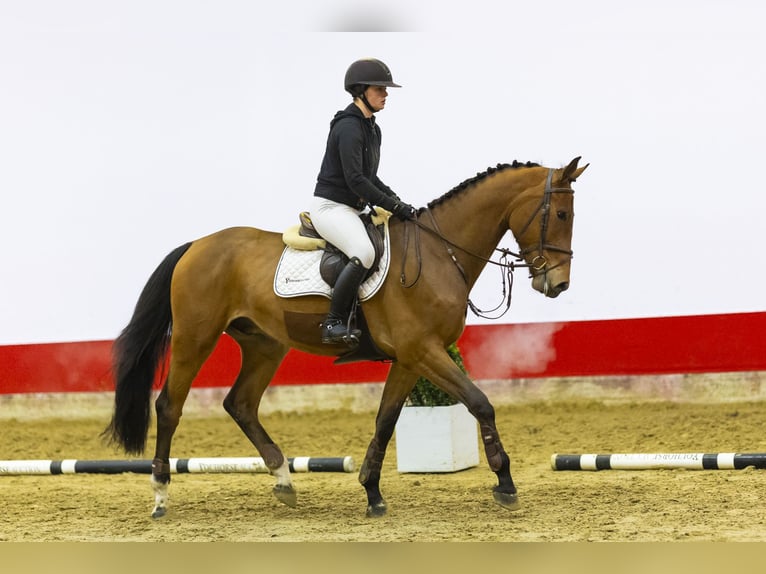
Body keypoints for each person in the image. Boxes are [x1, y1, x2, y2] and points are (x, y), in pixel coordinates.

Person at [310, 57, 417, 346]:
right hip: (330, 207)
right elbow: (356, 180)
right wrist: (394, 206)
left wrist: (398, 202)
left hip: (352, 209)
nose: (386, 93)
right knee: (364, 252)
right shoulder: (348, 127)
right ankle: (333, 322)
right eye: (379, 88)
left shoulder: (372, 128)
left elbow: (371, 177)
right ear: (361, 92)